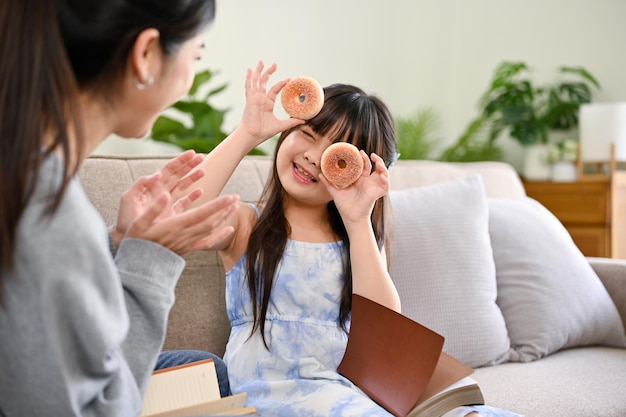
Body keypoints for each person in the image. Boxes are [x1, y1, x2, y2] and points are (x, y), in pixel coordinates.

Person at [185, 61, 525, 417]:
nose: (313, 158)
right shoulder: (245, 225)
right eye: (308, 135)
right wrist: (248, 133)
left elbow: (384, 329)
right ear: (287, 132)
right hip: (275, 393)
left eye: (336, 154)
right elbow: (178, 213)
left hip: (352, 393)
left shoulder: (354, 238)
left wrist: (358, 219)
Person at [0, 0, 239, 416]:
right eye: (195, 54)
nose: (190, 75)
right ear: (146, 54)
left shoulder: (29, 171)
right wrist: (149, 265)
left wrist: (115, 245)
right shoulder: (49, 209)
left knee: (208, 368)